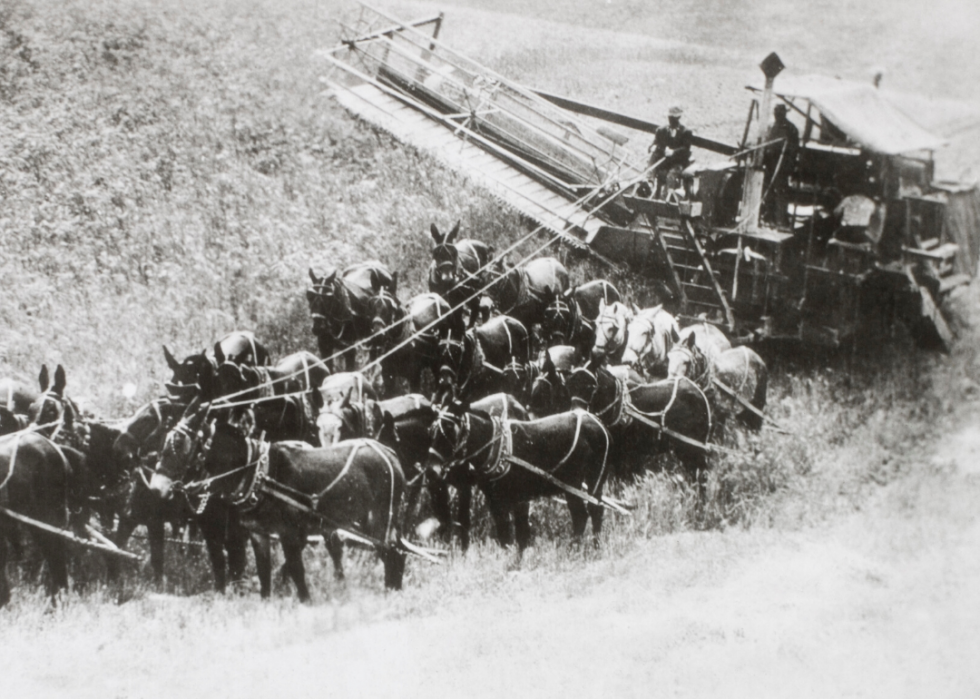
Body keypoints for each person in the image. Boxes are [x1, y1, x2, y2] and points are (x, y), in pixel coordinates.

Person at [762, 103, 799, 226]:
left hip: (782, 165)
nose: (777, 115)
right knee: (767, 191)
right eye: (775, 112)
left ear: (784, 113)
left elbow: (793, 150)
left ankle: (781, 219)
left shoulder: (791, 128)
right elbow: (766, 143)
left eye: (779, 112)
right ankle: (769, 216)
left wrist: (789, 167)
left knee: (781, 192)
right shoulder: (771, 127)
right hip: (770, 164)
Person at [647, 106, 693, 198]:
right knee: (653, 156)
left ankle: (667, 196)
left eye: (673, 118)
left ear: (678, 118)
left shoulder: (685, 132)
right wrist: (652, 146)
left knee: (671, 175)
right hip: (664, 162)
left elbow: (686, 149)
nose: (670, 120)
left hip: (677, 162)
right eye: (669, 117)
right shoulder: (661, 130)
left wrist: (673, 152)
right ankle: (649, 181)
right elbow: (655, 142)